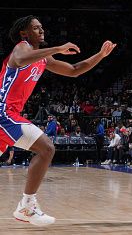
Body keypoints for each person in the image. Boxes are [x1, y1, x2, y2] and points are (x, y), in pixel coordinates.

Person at [0, 15, 116, 226]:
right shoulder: (21, 48)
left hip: (9, 116)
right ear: (24, 33)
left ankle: (26, 206)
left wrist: (100, 55)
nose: (41, 30)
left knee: (46, 149)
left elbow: (74, 70)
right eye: (36, 28)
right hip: (3, 114)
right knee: (46, 148)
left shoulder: (43, 58)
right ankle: (27, 206)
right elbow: (22, 60)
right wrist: (57, 48)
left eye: (42, 27)